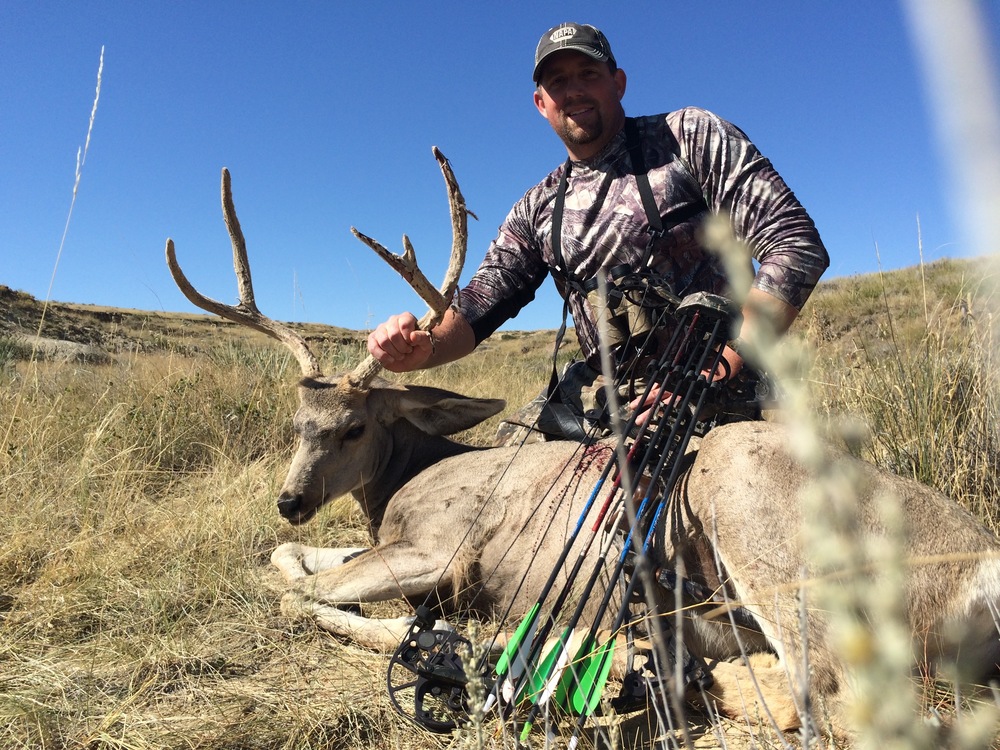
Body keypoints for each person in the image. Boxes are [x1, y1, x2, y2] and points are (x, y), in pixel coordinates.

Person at [368, 22, 829, 443]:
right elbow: (478, 306)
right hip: (601, 402)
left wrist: (725, 364)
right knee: (496, 468)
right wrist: (420, 348)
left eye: (588, 74)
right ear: (541, 103)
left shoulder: (686, 137)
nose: (574, 91)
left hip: (714, 392)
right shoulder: (538, 208)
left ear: (619, 82)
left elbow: (794, 242)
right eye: (558, 82)